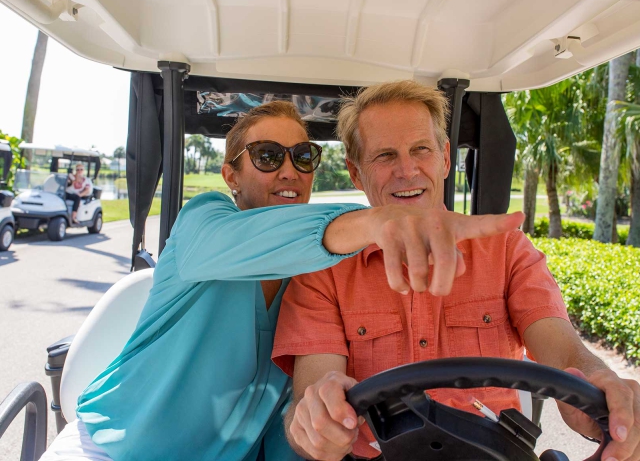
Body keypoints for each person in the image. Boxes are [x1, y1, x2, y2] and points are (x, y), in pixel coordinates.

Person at [40, 100, 522, 461]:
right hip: (120, 447)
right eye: (268, 156)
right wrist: (379, 220)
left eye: (303, 156)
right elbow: (255, 240)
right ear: (231, 173)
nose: (289, 170)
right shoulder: (202, 221)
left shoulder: (318, 271)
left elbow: (293, 410)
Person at [271, 81, 640, 461]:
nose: (407, 170)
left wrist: (602, 387)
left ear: (445, 157)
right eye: (384, 156)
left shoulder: (508, 250)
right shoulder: (322, 274)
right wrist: (315, 421)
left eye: (421, 150)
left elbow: (565, 353)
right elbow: (312, 395)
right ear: (355, 172)